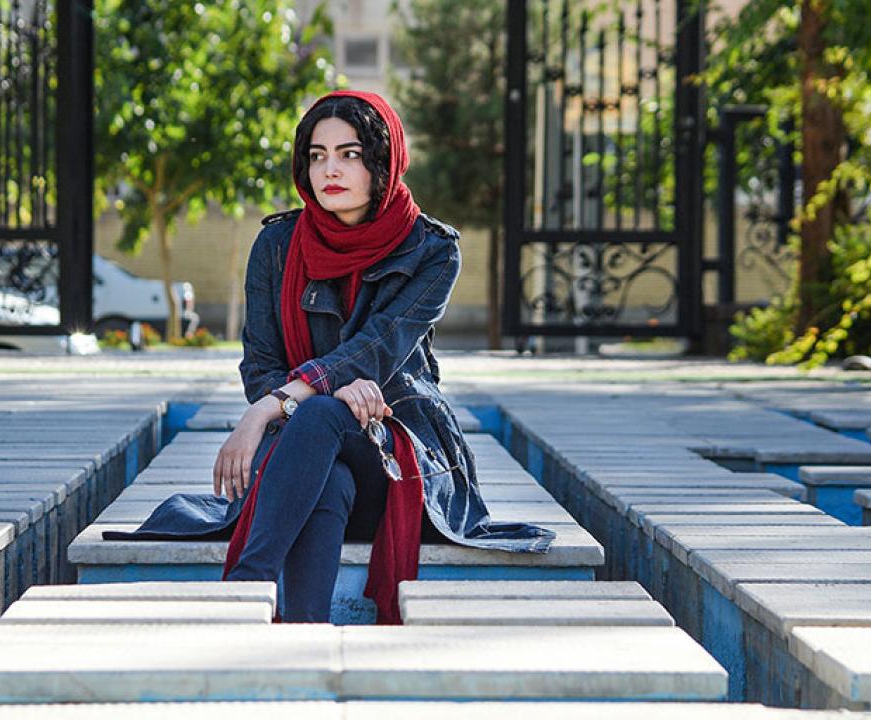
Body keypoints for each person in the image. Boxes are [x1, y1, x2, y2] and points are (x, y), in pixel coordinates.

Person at [103, 90, 554, 623]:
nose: (329, 169)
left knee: (318, 415)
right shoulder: (277, 245)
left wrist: (268, 408)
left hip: (398, 456)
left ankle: (247, 588)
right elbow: (260, 363)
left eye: (349, 154)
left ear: (383, 162)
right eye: (317, 155)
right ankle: (303, 632)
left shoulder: (433, 251)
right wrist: (330, 389)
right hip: (314, 463)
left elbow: (379, 348)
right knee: (327, 458)